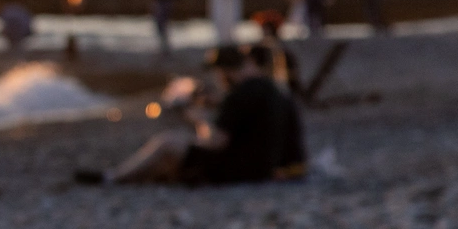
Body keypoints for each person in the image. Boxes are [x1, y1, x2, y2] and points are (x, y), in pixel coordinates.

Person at [76, 44, 306, 187]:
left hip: (245, 172)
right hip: (269, 168)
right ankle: (130, 177)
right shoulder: (272, 90)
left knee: (168, 142)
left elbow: (215, 142)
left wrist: (198, 118)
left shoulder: (241, 94)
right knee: (176, 156)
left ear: (223, 71)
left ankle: (112, 178)